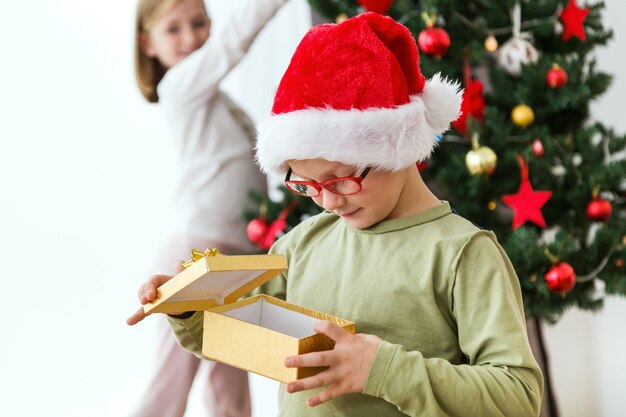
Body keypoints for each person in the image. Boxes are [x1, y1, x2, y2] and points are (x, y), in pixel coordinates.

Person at [128, 12, 544, 417]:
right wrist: (185, 309)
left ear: (394, 148)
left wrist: (383, 370)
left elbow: (518, 396)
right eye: (307, 186)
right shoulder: (301, 245)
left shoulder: (463, 254)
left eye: (340, 180)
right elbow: (235, 339)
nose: (329, 202)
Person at [130, 0, 286, 416]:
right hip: (192, 252)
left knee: (230, 390)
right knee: (170, 386)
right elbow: (232, 43)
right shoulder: (179, 87)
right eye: (173, 29)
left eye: (198, 24)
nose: (190, 38)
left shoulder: (219, 102)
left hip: (233, 256)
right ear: (147, 43)